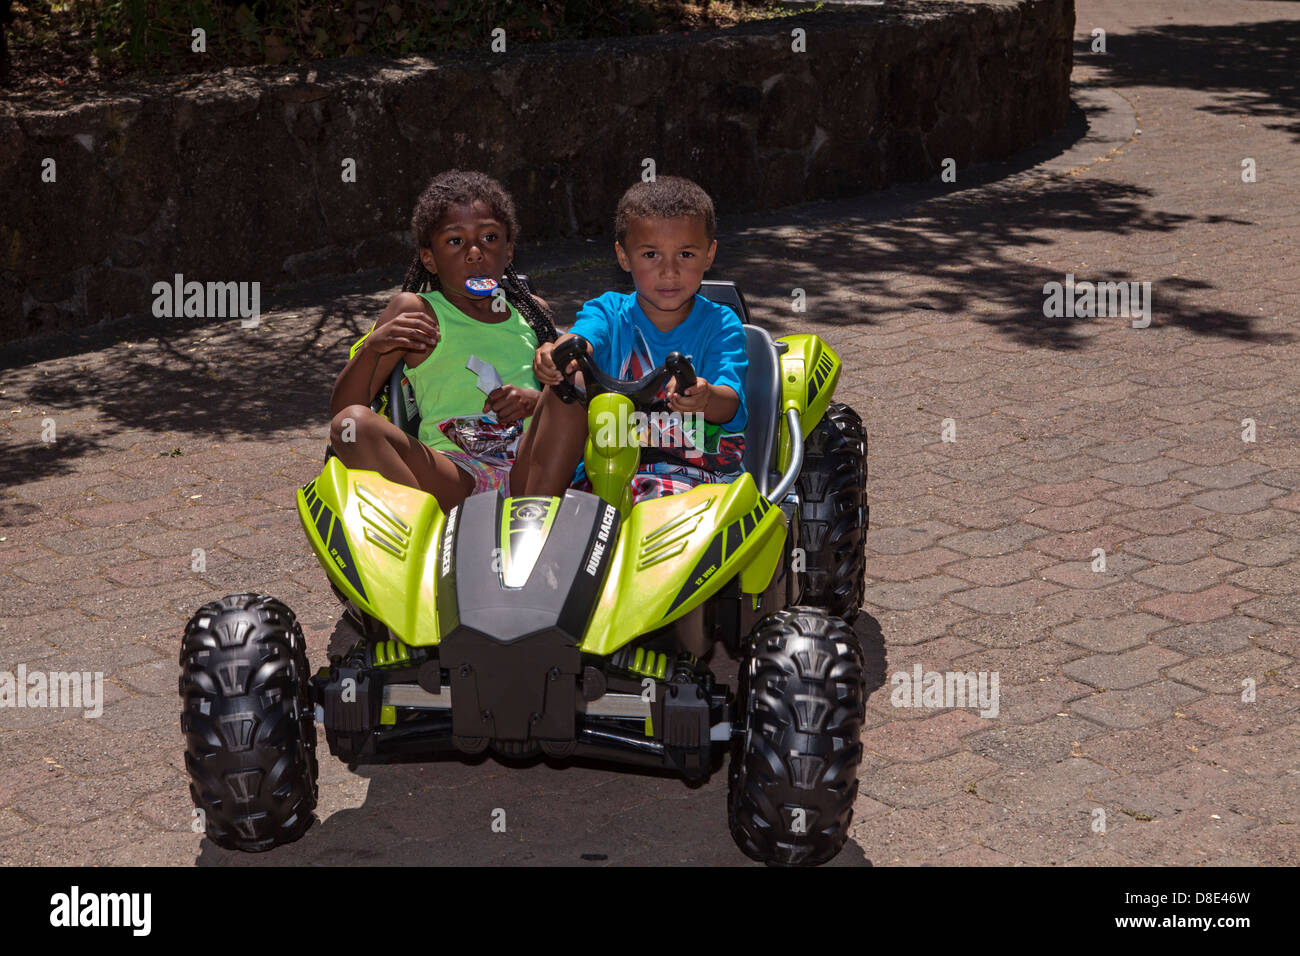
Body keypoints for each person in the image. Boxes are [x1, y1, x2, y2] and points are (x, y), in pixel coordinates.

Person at [329, 170, 557, 509]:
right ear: (429, 259)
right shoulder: (417, 311)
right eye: (455, 241)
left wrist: (537, 402)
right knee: (351, 424)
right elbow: (343, 409)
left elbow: (571, 396)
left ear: (508, 251)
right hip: (454, 476)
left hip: (533, 469)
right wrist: (373, 347)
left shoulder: (533, 313)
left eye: (490, 238)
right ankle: (430, 531)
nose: (475, 252)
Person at [513, 175, 747, 502]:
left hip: (690, 479)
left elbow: (729, 402)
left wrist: (705, 398)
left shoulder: (721, 324)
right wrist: (555, 354)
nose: (669, 271)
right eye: (651, 255)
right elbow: (582, 339)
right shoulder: (609, 312)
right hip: (601, 474)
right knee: (570, 382)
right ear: (624, 257)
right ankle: (533, 519)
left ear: (709, 255)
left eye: (686, 255)